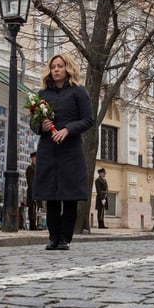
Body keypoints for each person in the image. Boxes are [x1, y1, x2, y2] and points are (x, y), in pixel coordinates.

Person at [31, 53, 93, 251]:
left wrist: (68, 129)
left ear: (68, 68)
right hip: (48, 149)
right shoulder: (43, 95)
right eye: (53, 66)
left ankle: (65, 237)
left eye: (60, 66)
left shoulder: (79, 92)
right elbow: (33, 122)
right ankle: (53, 237)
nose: (56, 69)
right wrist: (42, 125)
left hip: (70, 150)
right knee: (51, 195)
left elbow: (87, 119)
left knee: (69, 196)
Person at [25, 151, 39, 231]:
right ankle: (32, 226)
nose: (36, 159)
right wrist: (34, 193)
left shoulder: (38, 168)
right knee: (32, 209)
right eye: (35, 158)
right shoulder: (30, 168)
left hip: (38, 192)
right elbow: (30, 182)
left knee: (37, 210)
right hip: (32, 192)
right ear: (32, 159)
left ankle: (36, 225)